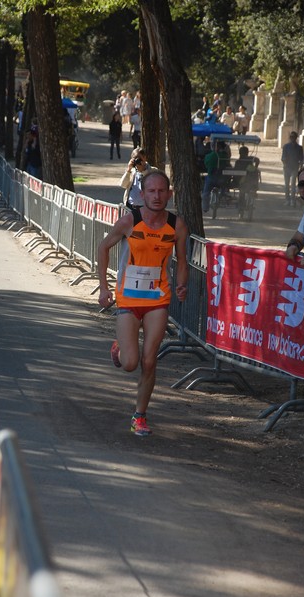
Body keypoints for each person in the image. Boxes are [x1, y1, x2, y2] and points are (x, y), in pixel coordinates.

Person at [97, 171, 188, 436]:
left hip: (158, 299)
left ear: (169, 194)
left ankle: (140, 416)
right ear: (143, 193)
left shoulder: (177, 226)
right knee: (130, 363)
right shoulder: (129, 221)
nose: (157, 196)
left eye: (162, 191)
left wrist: (182, 284)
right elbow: (104, 247)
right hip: (128, 299)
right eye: (152, 191)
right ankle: (120, 349)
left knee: (149, 361)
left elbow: (182, 260)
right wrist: (103, 287)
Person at [201, 140, 230, 212]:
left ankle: (205, 208)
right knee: (223, 186)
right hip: (221, 178)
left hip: (211, 177)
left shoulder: (210, 155)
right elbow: (228, 164)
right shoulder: (225, 156)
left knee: (205, 193)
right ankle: (222, 194)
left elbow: (206, 164)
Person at [281, 131, 304, 206]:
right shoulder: (286, 146)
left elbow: (301, 159)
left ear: (296, 138)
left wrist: (300, 168)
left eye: (293, 137)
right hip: (287, 167)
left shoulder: (299, 148)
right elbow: (283, 157)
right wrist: (284, 163)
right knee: (287, 185)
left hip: (295, 167)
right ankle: (287, 199)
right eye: (291, 137)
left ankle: (292, 200)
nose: (292, 138)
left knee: (293, 184)